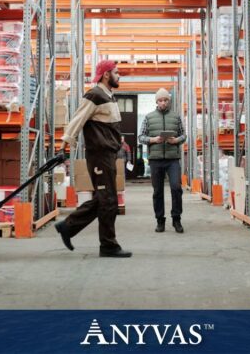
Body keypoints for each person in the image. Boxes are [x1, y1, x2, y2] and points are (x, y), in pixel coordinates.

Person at [54, 60, 132, 258]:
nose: (119, 75)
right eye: (116, 72)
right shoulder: (94, 95)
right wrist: (65, 143)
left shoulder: (109, 96)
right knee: (108, 201)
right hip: (99, 155)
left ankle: (68, 227)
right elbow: (77, 119)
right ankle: (108, 245)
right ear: (106, 74)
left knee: (104, 199)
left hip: (108, 154)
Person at [138, 88, 187, 233]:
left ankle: (176, 219)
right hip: (155, 159)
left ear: (169, 101)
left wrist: (176, 140)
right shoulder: (148, 117)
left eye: (165, 100)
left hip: (172, 159)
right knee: (157, 191)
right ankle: (160, 221)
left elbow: (183, 135)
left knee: (176, 188)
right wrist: (153, 139)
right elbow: (141, 137)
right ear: (156, 102)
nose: (163, 103)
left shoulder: (176, 117)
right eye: (160, 100)